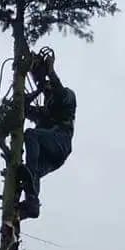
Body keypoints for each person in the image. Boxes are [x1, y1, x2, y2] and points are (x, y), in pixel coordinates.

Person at [17, 52, 76, 220]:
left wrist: (50, 71)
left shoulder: (67, 96)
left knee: (31, 135)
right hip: (50, 157)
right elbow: (24, 108)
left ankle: (31, 190)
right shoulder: (45, 112)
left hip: (60, 142)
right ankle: (31, 204)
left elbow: (59, 92)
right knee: (26, 174)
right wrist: (37, 90)